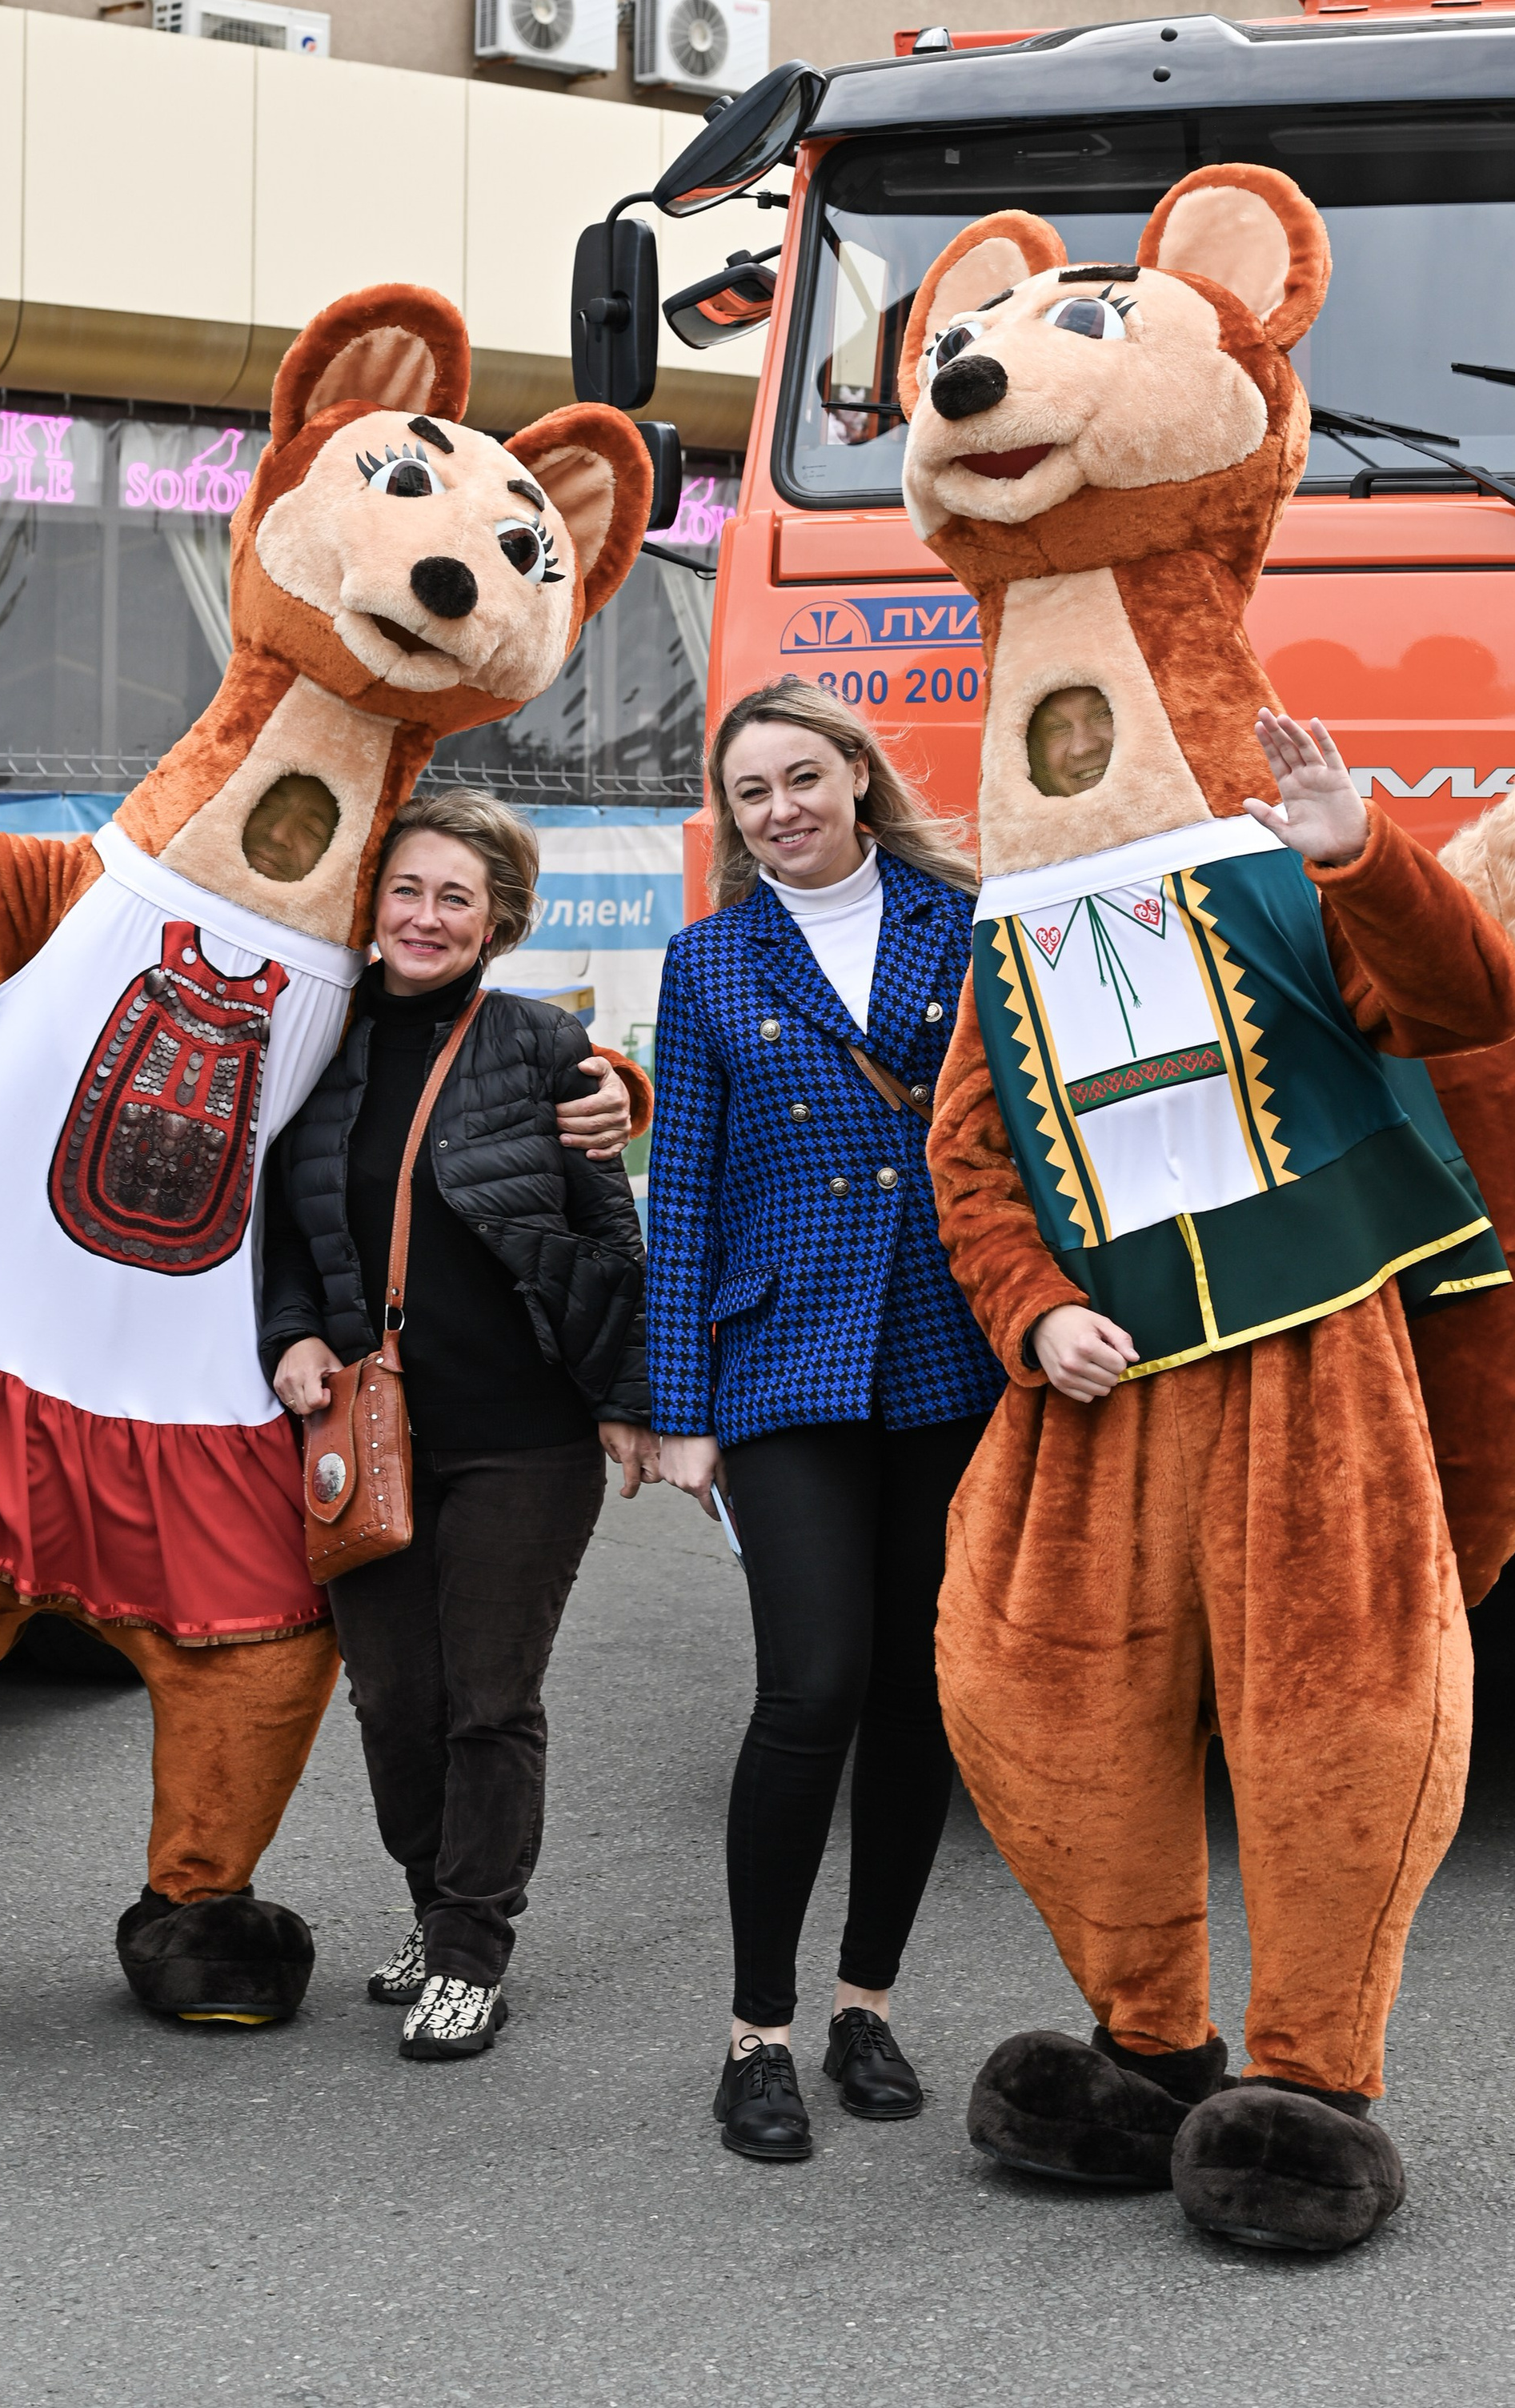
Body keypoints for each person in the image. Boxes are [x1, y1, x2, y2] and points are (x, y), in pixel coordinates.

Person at [648, 679, 1006, 2162]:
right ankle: (758, 2033)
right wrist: (679, 1411)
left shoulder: (968, 926)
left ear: (859, 778)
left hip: (945, 1348)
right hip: (784, 1357)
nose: (780, 809)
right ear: (730, 818)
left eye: (805, 778)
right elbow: (683, 1190)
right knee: (814, 1685)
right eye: (751, 793)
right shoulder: (709, 960)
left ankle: (866, 2003)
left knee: (923, 1694)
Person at [258, 790, 655, 2064]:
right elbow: (281, 1226)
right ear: (371, 905)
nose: (425, 918)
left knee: (489, 1698)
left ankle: (473, 1946)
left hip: (523, 1436)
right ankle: (436, 1906)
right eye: (409, 891)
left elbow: (610, 1236)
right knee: (393, 1702)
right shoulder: (314, 1043)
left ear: (499, 923)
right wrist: (292, 1338)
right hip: (369, 1431)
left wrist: (630, 1403)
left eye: (456, 900)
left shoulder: (545, 1048)